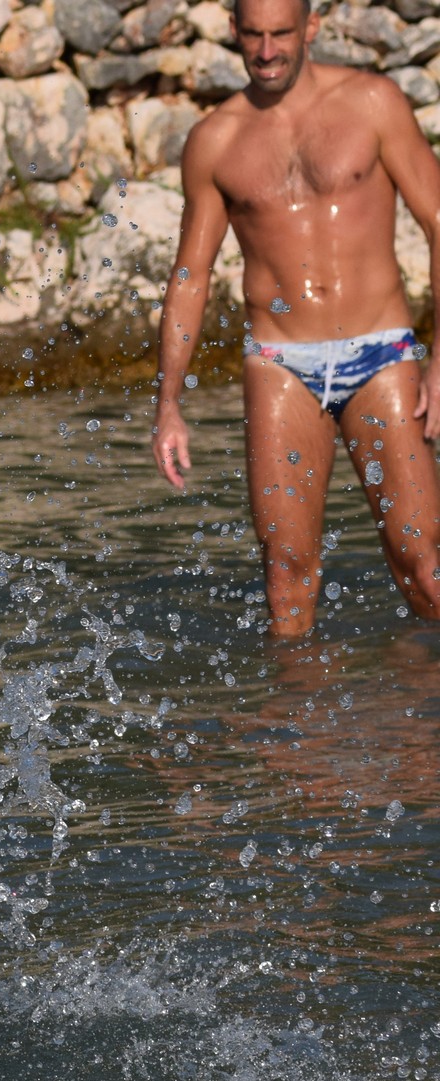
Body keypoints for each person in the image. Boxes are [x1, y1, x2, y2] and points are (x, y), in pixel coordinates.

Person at [151, 0, 440, 638]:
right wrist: (168, 403)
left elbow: (438, 220)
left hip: (382, 354)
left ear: (311, 27)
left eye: (281, 33)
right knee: (285, 578)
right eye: (253, 34)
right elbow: (191, 275)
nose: (267, 51)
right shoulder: (215, 140)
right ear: (233, 30)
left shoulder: (372, 103)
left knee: (424, 568)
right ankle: (295, 705)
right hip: (281, 363)